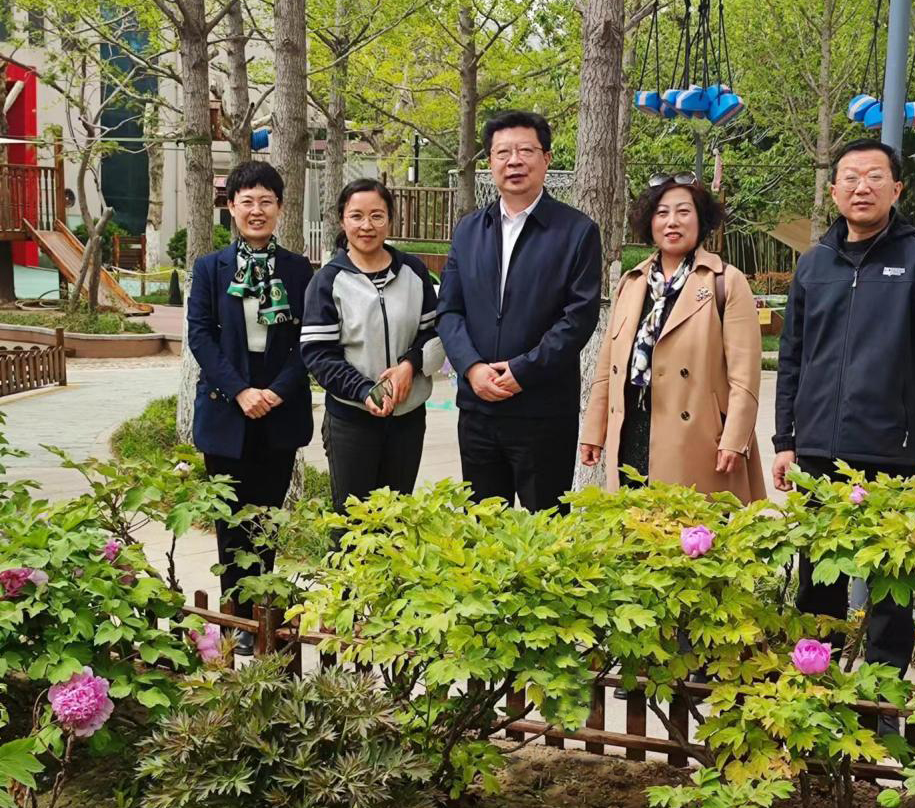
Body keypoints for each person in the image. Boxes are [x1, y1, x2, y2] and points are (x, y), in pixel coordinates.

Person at [772, 138, 915, 676]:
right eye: (851, 177)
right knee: (819, 581)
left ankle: (881, 697)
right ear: (833, 191)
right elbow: (792, 357)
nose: (862, 187)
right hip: (818, 452)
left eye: (875, 176)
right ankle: (818, 685)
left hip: (891, 453)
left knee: (889, 587)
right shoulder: (814, 264)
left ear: (896, 189)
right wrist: (785, 440)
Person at [437, 110, 601, 513]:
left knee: (547, 527)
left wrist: (523, 370)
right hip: (478, 409)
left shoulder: (576, 231)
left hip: (543, 410)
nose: (514, 161)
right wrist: (472, 368)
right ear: (490, 162)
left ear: (546, 159)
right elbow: (449, 311)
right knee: (482, 527)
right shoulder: (469, 230)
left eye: (526, 151)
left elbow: (578, 317)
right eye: (503, 153)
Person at [187, 160, 313, 654]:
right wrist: (241, 391)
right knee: (231, 520)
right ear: (231, 207)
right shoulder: (210, 268)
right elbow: (200, 335)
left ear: (280, 208)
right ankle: (234, 619)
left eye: (266, 201)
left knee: (267, 518)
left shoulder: (299, 269)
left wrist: (276, 391)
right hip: (227, 406)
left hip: (279, 406)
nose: (256, 210)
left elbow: (310, 339)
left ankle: (265, 617)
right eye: (247, 201)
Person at [580, 174, 764, 502]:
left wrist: (735, 439)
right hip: (632, 429)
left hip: (699, 440)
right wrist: (594, 431)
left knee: (690, 527)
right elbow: (609, 366)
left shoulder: (726, 281)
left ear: (701, 220)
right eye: (662, 213)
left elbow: (745, 376)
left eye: (683, 212)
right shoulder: (631, 282)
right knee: (635, 526)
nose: (672, 222)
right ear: (649, 222)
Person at [301, 178, 443, 510]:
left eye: (377, 216)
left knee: (397, 517)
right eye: (357, 216)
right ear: (342, 220)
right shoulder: (328, 281)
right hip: (352, 420)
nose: (367, 225)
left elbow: (435, 332)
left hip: (407, 418)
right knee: (353, 521)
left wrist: (410, 365)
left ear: (390, 220)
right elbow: (319, 354)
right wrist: (364, 390)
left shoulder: (413, 271)